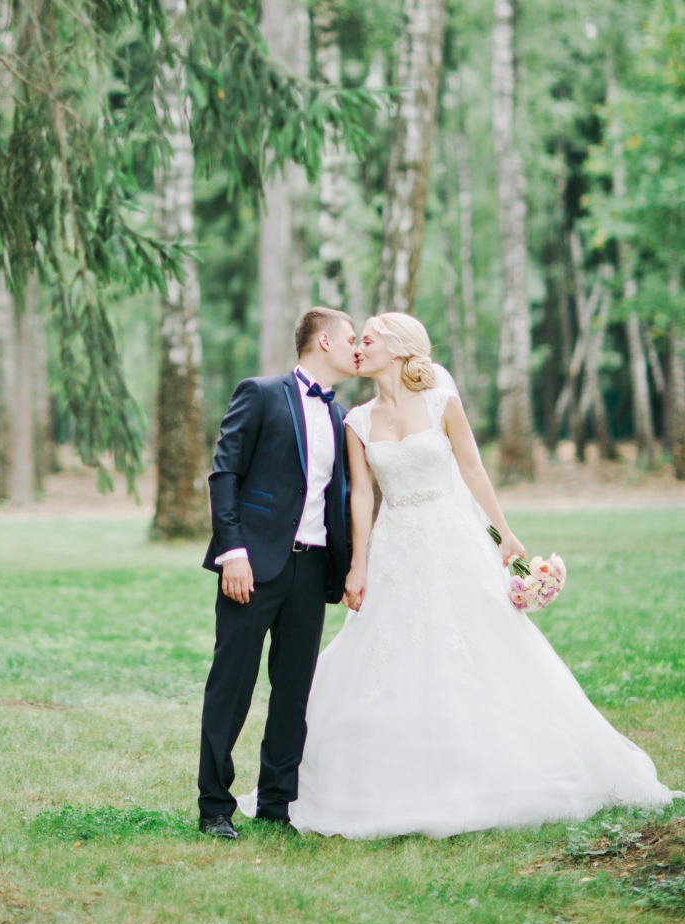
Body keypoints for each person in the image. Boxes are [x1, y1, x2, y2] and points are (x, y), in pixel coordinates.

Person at [265, 311, 677, 839]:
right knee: (392, 649)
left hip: (453, 537)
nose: (359, 349)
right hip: (396, 548)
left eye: (367, 340)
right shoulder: (357, 421)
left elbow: (472, 469)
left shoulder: (441, 401)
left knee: (480, 642)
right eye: (357, 341)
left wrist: (504, 534)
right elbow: (362, 497)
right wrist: (359, 565)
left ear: (396, 347)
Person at [196, 307, 358, 838]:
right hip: (254, 565)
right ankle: (215, 806)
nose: (357, 348)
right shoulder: (261, 392)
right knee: (232, 685)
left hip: (312, 572)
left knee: (293, 691)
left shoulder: (342, 416)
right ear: (325, 341)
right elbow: (225, 474)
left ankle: (276, 806)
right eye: (352, 338)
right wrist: (233, 552)